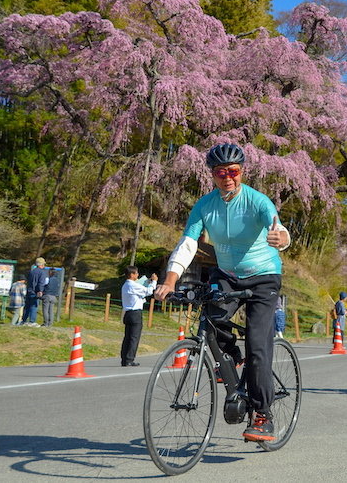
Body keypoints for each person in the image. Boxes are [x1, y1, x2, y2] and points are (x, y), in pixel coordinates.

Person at [153, 143, 290, 443]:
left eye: (233, 172)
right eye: (220, 173)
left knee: (258, 346)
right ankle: (231, 358)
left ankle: (263, 414)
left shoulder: (258, 201)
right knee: (211, 318)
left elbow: (278, 228)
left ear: (242, 172)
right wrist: (170, 279)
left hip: (264, 277)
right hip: (227, 274)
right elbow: (188, 243)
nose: (227, 177)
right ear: (212, 175)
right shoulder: (204, 205)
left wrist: (281, 238)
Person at [120, 266, 157, 366]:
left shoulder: (125, 285)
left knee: (127, 337)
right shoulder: (133, 285)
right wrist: (154, 282)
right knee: (134, 337)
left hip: (127, 313)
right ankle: (129, 359)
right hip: (135, 313)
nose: (137, 275)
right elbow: (148, 291)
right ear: (131, 274)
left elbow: (140, 294)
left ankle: (124, 359)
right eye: (136, 273)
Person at [23, 257, 48, 326]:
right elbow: (41, 283)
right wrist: (40, 291)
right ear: (42, 264)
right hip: (35, 292)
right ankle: (32, 321)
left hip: (29, 291)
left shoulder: (32, 271)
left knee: (27, 306)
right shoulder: (42, 272)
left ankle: (24, 320)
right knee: (34, 306)